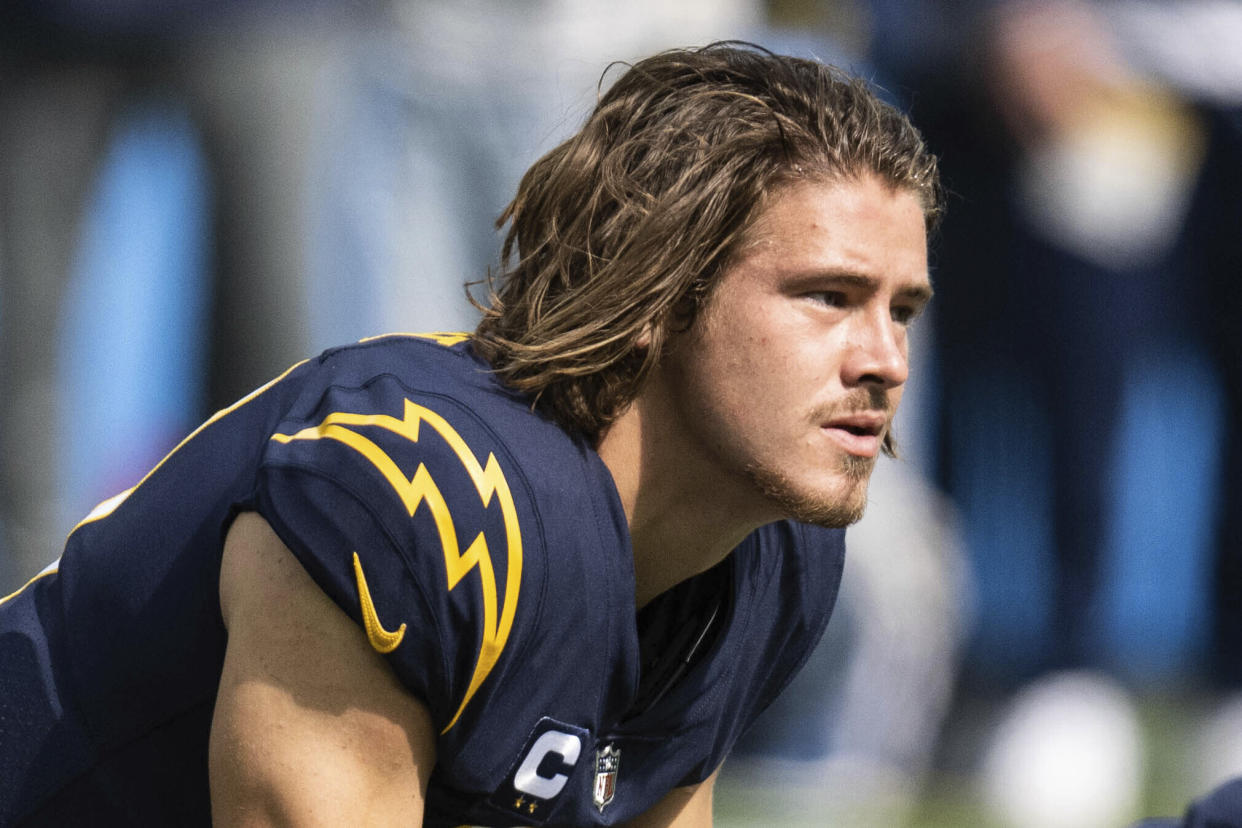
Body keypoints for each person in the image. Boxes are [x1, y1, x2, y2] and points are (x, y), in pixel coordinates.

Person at [0, 43, 941, 826]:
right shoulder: (426, 494)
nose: (886, 359)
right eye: (829, 296)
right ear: (662, 291)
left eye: (903, 310)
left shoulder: (766, 552)